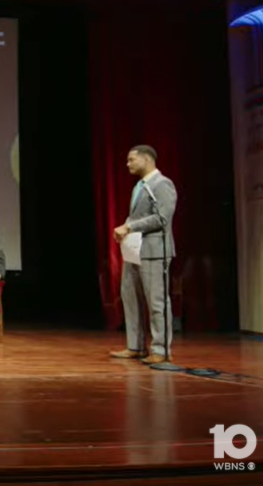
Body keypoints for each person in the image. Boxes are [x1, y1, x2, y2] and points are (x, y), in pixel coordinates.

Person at [110, 145, 177, 364]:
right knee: (130, 298)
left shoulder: (162, 184)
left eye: (131, 160)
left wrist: (129, 227)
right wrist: (126, 229)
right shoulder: (140, 186)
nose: (127, 164)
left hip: (155, 252)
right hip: (135, 251)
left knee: (156, 301)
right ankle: (135, 346)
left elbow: (162, 218)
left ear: (147, 159)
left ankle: (161, 349)